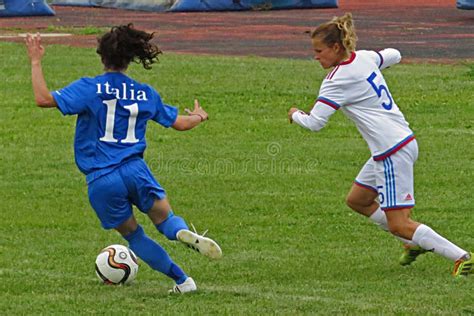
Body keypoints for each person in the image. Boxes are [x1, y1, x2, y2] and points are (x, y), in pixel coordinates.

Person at [25, 24, 222, 293]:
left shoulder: (90, 88)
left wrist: (36, 61)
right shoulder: (145, 93)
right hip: (135, 170)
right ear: (131, 58)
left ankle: (183, 281)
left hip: (102, 179)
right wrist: (199, 115)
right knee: (165, 219)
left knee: (134, 235)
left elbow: (42, 98)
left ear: (102, 56)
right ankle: (180, 232)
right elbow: (180, 123)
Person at [288, 13, 472, 277]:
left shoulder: (335, 81)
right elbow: (393, 54)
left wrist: (295, 114)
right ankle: (412, 243)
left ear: (336, 47)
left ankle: (463, 257)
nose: (316, 56)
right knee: (358, 200)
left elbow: (315, 122)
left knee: (399, 223)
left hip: (391, 152)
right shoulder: (363, 58)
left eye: (319, 51)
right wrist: (379, 65)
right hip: (398, 142)